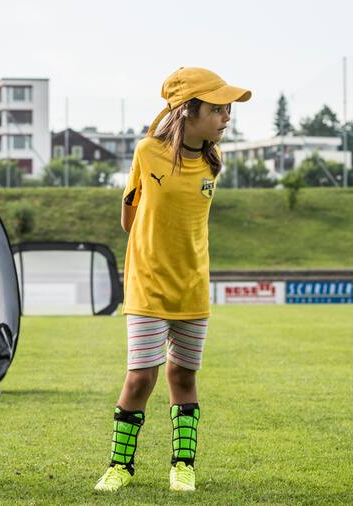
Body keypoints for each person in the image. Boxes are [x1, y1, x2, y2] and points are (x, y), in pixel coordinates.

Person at [94, 67, 251, 493]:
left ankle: (183, 466)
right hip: (148, 283)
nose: (226, 117)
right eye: (217, 108)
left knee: (183, 376)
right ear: (188, 111)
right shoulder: (147, 151)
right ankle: (120, 466)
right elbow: (129, 215)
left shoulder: (214, 161)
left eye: (228, 109)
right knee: (140, 377)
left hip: (193, 286)